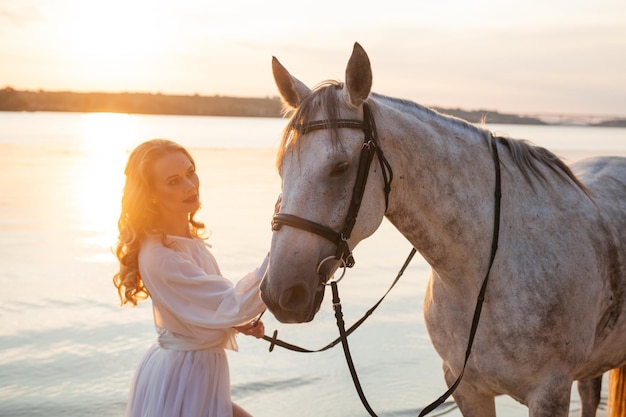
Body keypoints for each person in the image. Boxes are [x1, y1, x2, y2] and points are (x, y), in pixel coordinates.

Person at [113, 138, 270, 417]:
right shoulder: (161, 256)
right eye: (173, 181)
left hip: (195, 369)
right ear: (150, 193)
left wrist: (236, 323)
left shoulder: (183, 240)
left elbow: (198, 306)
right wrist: (286, 243)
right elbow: (227, 303)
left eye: (190, 172)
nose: (190, 186)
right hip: (184, 376)